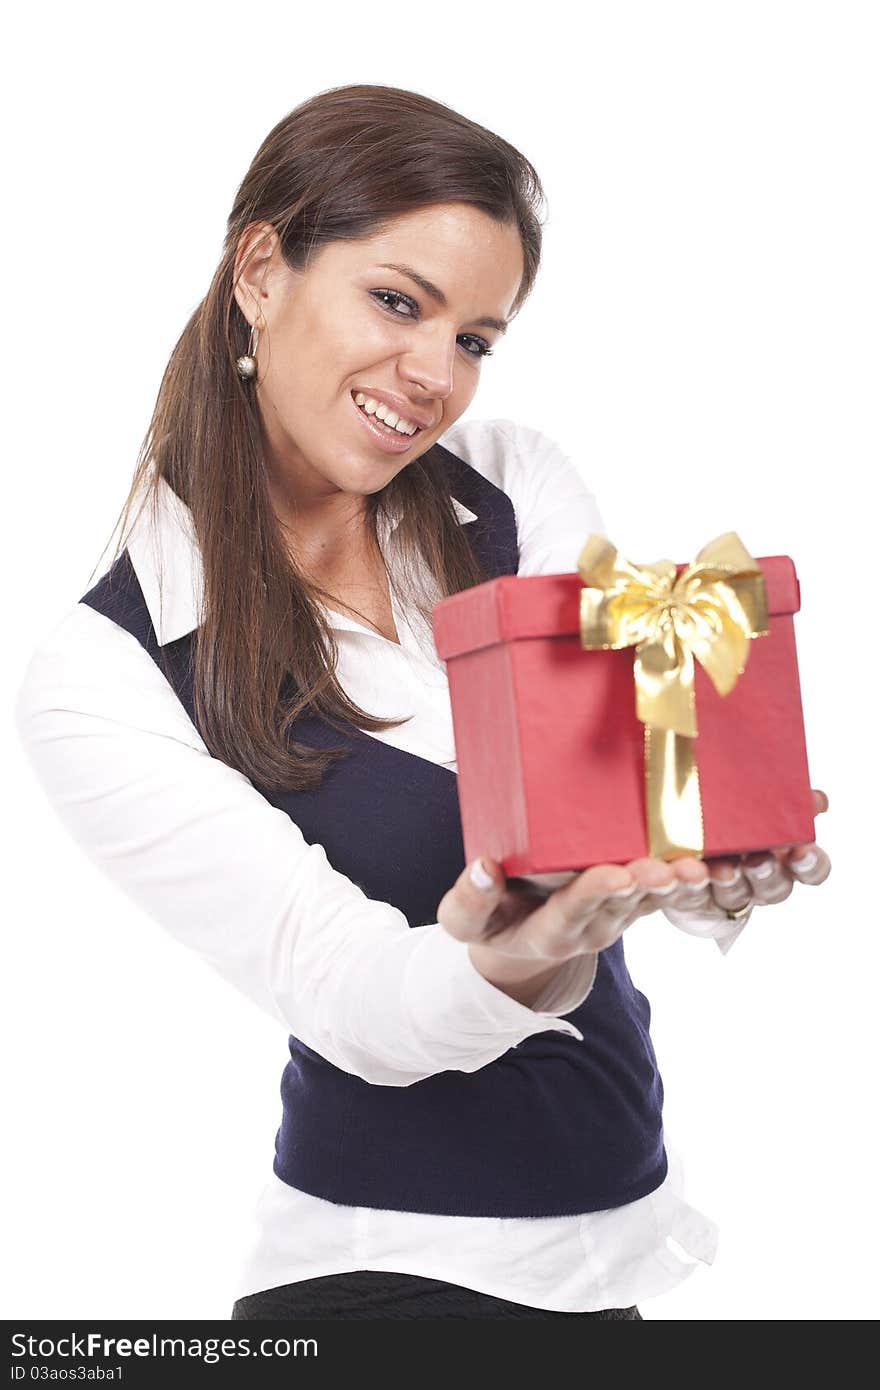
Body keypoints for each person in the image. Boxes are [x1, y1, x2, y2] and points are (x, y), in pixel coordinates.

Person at [13, 83, 831, 1322]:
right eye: (397, 301)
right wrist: (512, 966)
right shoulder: (111, 665)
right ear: (260, 268)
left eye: (475, 338)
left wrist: (703, 855)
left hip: (608, 1251)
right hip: (388, 1281)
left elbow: (612, 781)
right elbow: (342, 993)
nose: (435, 375)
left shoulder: (510, 489)